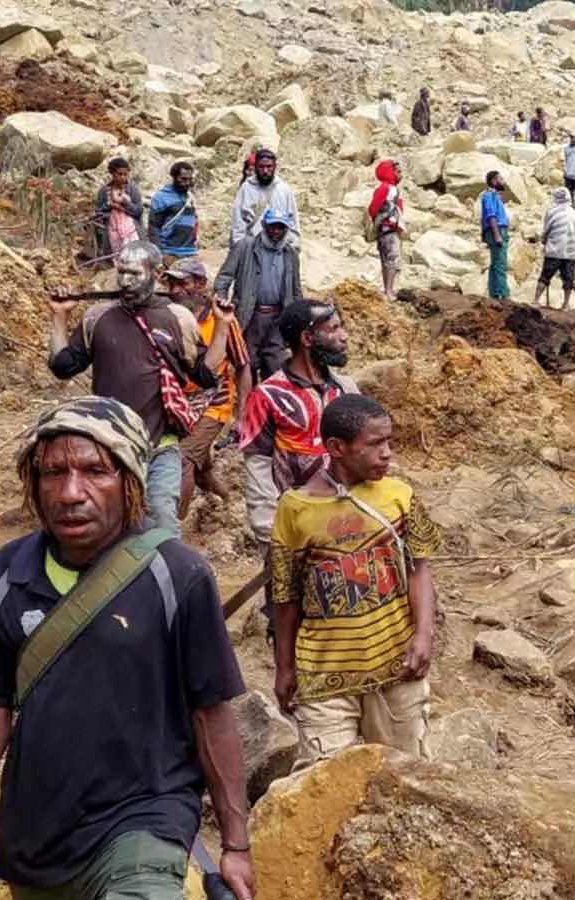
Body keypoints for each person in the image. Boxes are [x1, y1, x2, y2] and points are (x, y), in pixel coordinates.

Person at [0, 395, 253, 900]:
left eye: (96, 472)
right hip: (37, 837)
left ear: (130, 482)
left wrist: (236, 844)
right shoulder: (8, 574)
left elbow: (211, 715)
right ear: (33, 482)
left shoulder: (178, 575)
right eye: (53, 473)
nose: (71, 492)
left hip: (144, 822)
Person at [271, 394, 444, 763]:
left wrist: (424, 635)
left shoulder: (400, 497)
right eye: (375, 443)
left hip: (396, 666)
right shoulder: (295, 509)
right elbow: (285, 595)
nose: (387, 453)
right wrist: (285, 667)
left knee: (405, 776)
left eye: (389, 442)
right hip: (323, 676)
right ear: (337, 447)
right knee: (323, 783)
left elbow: (419, 568)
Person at [48, 242, 232, 536]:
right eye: (121, 273)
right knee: (113, 528)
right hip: (110, 448)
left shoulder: (177, 318)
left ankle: (166, 579)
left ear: (157, 273)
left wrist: (222, 326)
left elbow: (204, 374)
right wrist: (59, 316)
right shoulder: (97, 317)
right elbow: (62, 366)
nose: (125, 281)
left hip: (160, 446)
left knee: (162, 523)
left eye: (134, 273)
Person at [238, 300, 357, 631]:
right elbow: (258, 468)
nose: (343, 336)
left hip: (347, 525)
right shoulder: (268, 396)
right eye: (333, 329)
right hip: (293, 529)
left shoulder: (346, 390)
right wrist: (269, 534)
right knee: (288, 619)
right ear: (307, 338)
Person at [164, 260, 251, 515]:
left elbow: (243, 365)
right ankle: (229, 505)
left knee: (184, 458)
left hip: (214, 402)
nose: (176, 290)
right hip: (179, 403)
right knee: (201, 473)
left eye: (184, 283)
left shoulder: (220, 319)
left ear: (200, 285)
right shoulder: (168, 316)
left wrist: (242, 415)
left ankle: (172, 528)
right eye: (172, 283)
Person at [215, 208, 304, 383]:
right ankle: (247, 406)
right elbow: (225, 276)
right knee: (247, 364)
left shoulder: (290, 254)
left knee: (275, 365)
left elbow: (296, 288)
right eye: (272, 227)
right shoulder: (245, 247)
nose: (276, 232)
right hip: (250, 315)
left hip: (278, 318)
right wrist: (221, 297)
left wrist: (298, 316)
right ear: (264, 225)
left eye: (280, 227)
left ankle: (269, 404)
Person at [230, 148, 299, 249]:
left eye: (269, 166)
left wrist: (294, 247)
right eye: (261, 167)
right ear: (256, 167)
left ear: (275, 167)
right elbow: (238, 221)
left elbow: (292, 221)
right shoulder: (246, 189)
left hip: (278, 249)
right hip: (251, 248)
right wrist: (238, 248)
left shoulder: (284, 190)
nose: (265, 171)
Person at [533, 187, 575, 310]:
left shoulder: (552, 212)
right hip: (570, 251)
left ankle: (536, 300)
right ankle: (565, 304)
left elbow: (547, 229)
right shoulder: (574, 213)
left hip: (554, 249)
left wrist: (544, 241)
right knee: (568, 279)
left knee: (545, 276)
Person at [369, 159, 407, 301]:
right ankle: (389, 291)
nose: (401, 175)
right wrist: (383, 220)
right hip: (388, 229)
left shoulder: (390, 189)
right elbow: (373, 208)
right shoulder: (387, 188)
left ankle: (387, 290)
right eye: (398, 172)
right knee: (392, 258)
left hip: (386, 228)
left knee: (386, 259)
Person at [93, 157, 143, 262]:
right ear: (112, 174)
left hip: (131, 228)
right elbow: (98, 213)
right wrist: (109, 206)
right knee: (116, 255)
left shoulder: (132, 189)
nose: (123, 177)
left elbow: (138, 211)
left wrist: (125, 203)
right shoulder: (104, 191)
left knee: (133, 255)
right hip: (112, 228)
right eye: (119, 174)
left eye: (125, 174)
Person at [148, 162, 199, 262]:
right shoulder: (161, 198)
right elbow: (154, 227)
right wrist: (158, 253)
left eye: (189, 179)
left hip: (190, 251)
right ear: (174, 177)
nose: (187, 183)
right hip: (169, 252)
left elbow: (195, 220)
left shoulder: (190, 197)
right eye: (183, 179)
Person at [479, 171, 511, 301]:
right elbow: (491, 216)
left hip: (496, 231)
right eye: (500, 179)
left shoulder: (494, 196)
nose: (503, 181)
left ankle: (494, 293)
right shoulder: (489, 196)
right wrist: (497, 235)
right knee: (500, 264)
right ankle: (503, 294)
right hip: (497, 231)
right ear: (493, 181)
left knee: (495, 264)